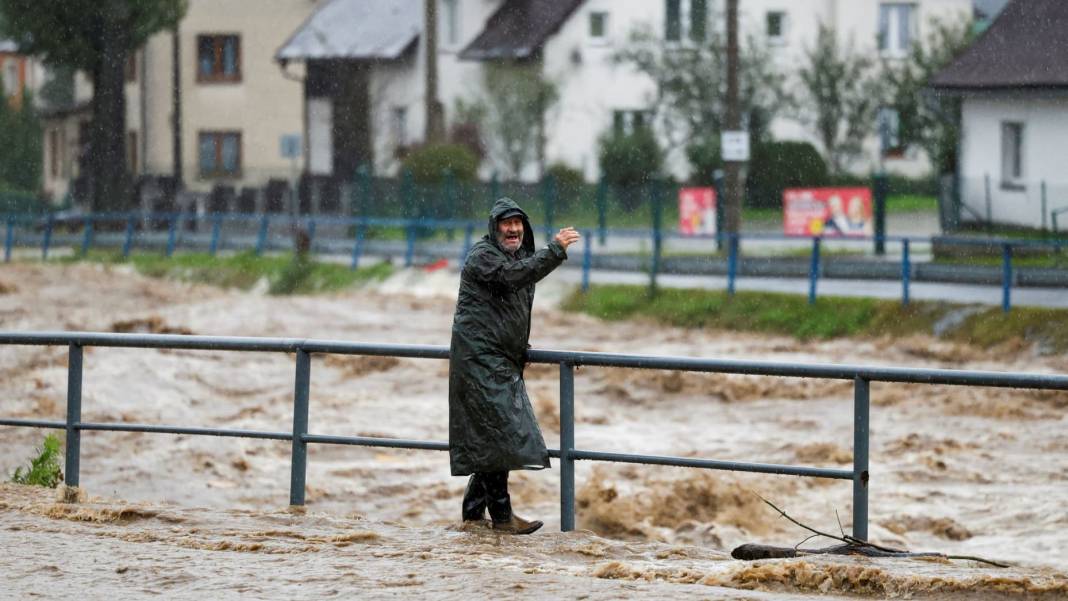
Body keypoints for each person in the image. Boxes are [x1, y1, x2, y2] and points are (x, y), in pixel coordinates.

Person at [448, 197, 580, 535]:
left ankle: (474, 515)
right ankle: (503, 518)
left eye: (518, 223)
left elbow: (508, 305)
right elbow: (513, 277)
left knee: (496, 438)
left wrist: (519, 348)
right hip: (481, 362)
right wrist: (555, 250)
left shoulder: (515, 256)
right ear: (495, 228)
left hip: (499, 361)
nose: (513, 229)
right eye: (507, 224)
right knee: (502, 437)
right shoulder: (484, 257)